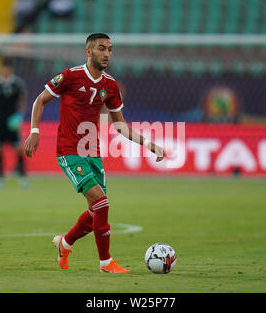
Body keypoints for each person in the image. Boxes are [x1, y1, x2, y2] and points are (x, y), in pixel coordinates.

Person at [24, 33, 164, 273]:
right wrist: (34, 131)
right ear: (88, 52)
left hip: (92, 152)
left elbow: (119, 124)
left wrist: (148, 144)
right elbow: (40, 100)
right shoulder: (70, 76)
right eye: (101, 48)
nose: (107, 53)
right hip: (69, 151)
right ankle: (105, 263)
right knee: (102, 203)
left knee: (94, 212)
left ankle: (65, 244)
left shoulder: (110, 85)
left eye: (110, 49)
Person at [0, 57, 28, 188]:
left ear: (11, 69)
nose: (6, 70)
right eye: (4, 68)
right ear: (1, 69)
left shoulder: (17, 84)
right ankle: (0, 178)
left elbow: (22, 100)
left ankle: (22, 177)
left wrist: (19, 115)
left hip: (12, 122)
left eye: (8, 68)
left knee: (18, 149)